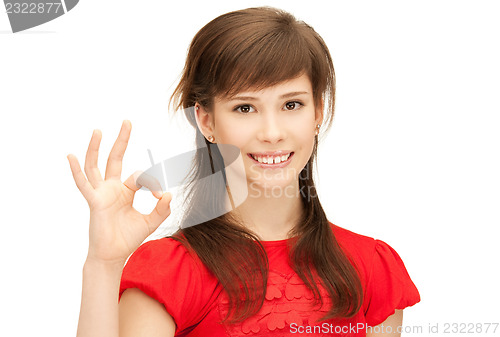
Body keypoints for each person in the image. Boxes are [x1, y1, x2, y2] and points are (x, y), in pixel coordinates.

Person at [67, 6, 420, 337]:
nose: (271, 132)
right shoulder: (169, 272)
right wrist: (103, 264)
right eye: (245, 107)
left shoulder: (371, 267)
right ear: (206, 120)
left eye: (291, 104)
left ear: (318, 113)